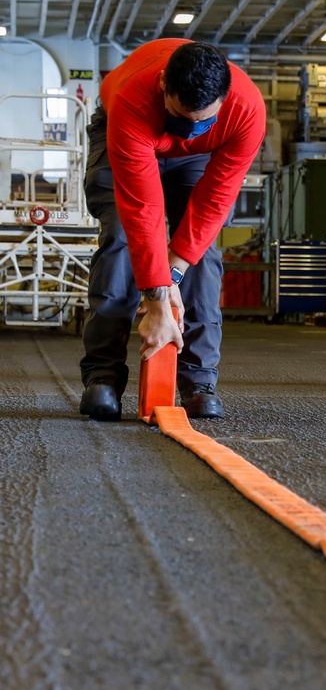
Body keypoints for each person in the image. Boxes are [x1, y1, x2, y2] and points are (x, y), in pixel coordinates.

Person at [79, 39, 266, 420]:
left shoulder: (247, 111)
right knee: (120, 236)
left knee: (203, 251)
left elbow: (213, 203)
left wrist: (173, 274)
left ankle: (198, 381)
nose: (191, 128)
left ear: (225, 97)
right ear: (164, 83)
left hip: (198, 157)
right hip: (128, 131)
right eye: (183, 115)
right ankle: (103, 377)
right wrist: (157, 301)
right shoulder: (133, 99)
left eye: (203, 119)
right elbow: (142, 210)